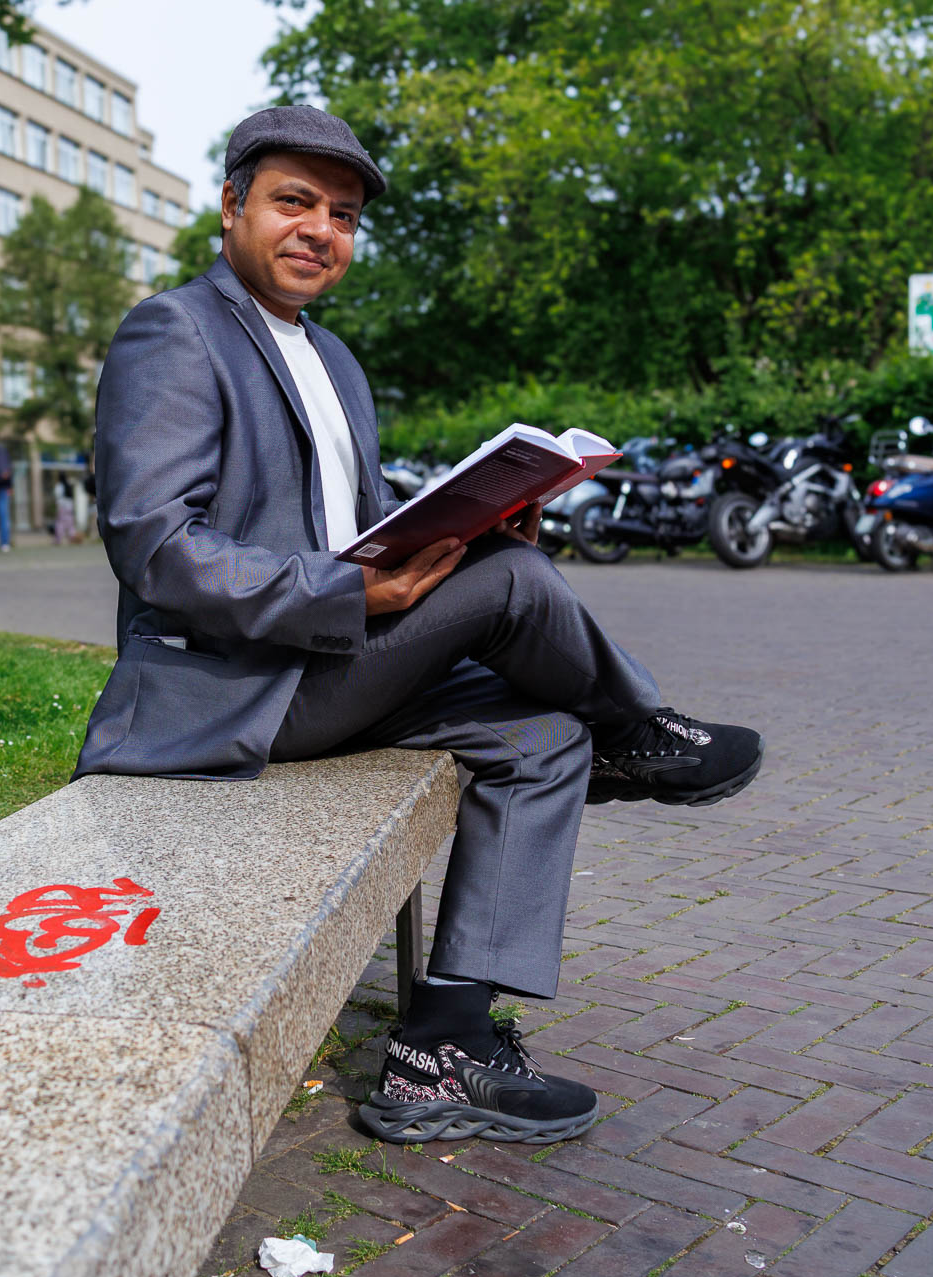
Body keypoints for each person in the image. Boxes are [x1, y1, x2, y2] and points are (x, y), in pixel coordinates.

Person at [75, 106, 764, 1148]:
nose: (319, 230)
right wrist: (356, 595)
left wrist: (479, 511)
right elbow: (158, 547)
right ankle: (643, 728)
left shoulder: (335, 359)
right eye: (293, 202)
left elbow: (350, 511)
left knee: (543, 735)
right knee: (518, 585)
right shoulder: (175, 330)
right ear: (230, 207)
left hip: (330, 663)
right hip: (240, 686)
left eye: (342, 214)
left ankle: (440, 1046)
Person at [52, 475, 79, 545]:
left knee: (60, 523)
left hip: (62, 507)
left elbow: (57, 496)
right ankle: (73, 538)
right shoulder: (68, 485)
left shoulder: (59, 486)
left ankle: (58, 540)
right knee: (70, 524)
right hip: (70, 507)